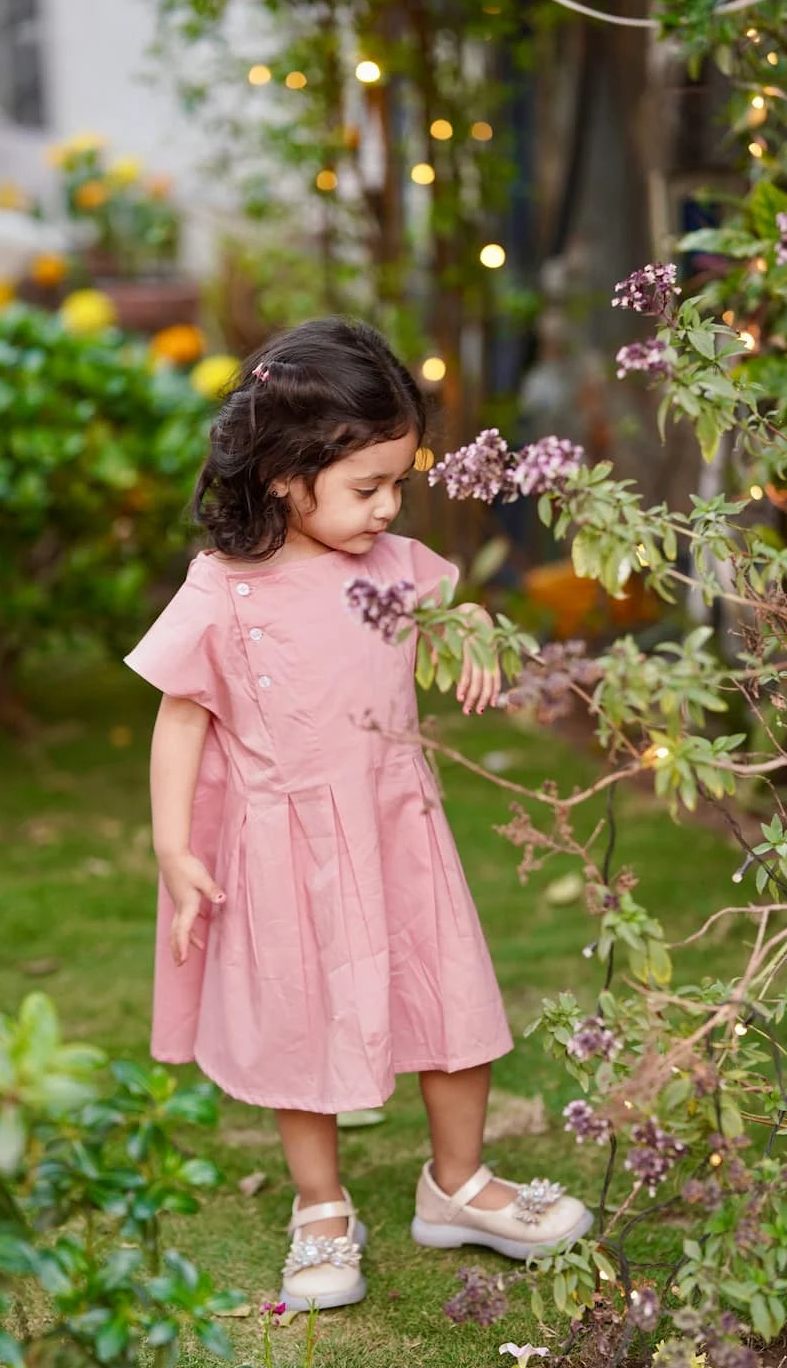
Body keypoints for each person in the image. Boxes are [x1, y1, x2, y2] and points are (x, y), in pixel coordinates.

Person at [125, 318, 591, 1312]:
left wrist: (468, 635)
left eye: (397, 484)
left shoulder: (392, 562)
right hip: (282, 845)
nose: (386, 507)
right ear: (288, 475)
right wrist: (174, 847)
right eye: (366, 485)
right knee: (300, 1027)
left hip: (396, 829)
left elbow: (451, 611)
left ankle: (456, 1182)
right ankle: (321, 1206)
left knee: (452, 1006)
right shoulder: (225, 590)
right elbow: (180, 715)